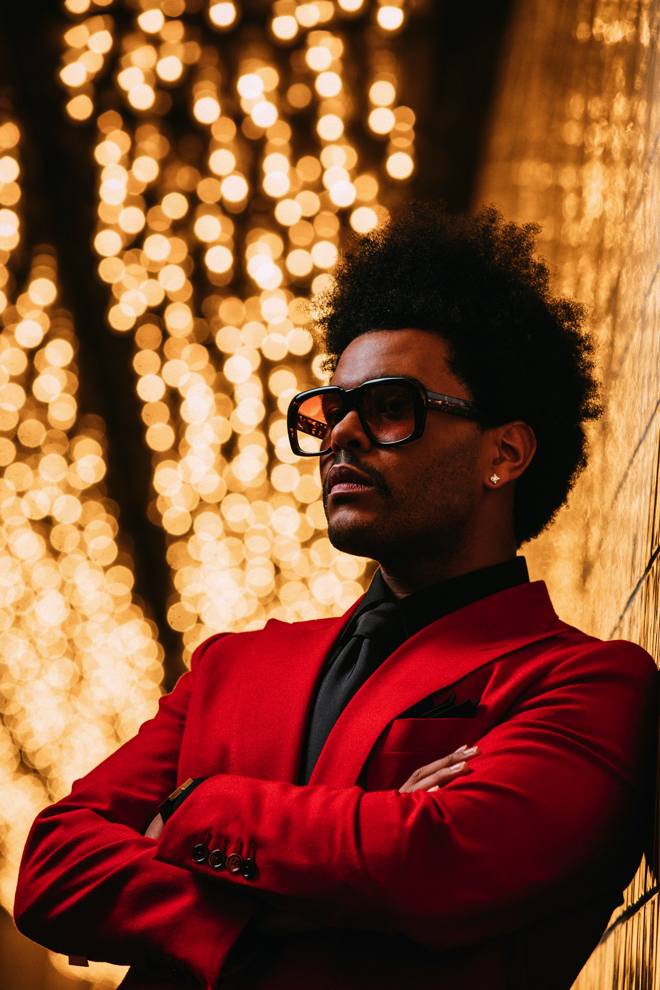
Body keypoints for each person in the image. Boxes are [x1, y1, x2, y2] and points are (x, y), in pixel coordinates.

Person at [14, 204, 658, 990]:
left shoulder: (587, 684)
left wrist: (192, 807)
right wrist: (286, 902)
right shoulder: (228, 667)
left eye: (390, 407)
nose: (342, 435)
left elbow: (432, 861)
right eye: (333, 412)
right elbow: (53, 868)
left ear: (506, 452)